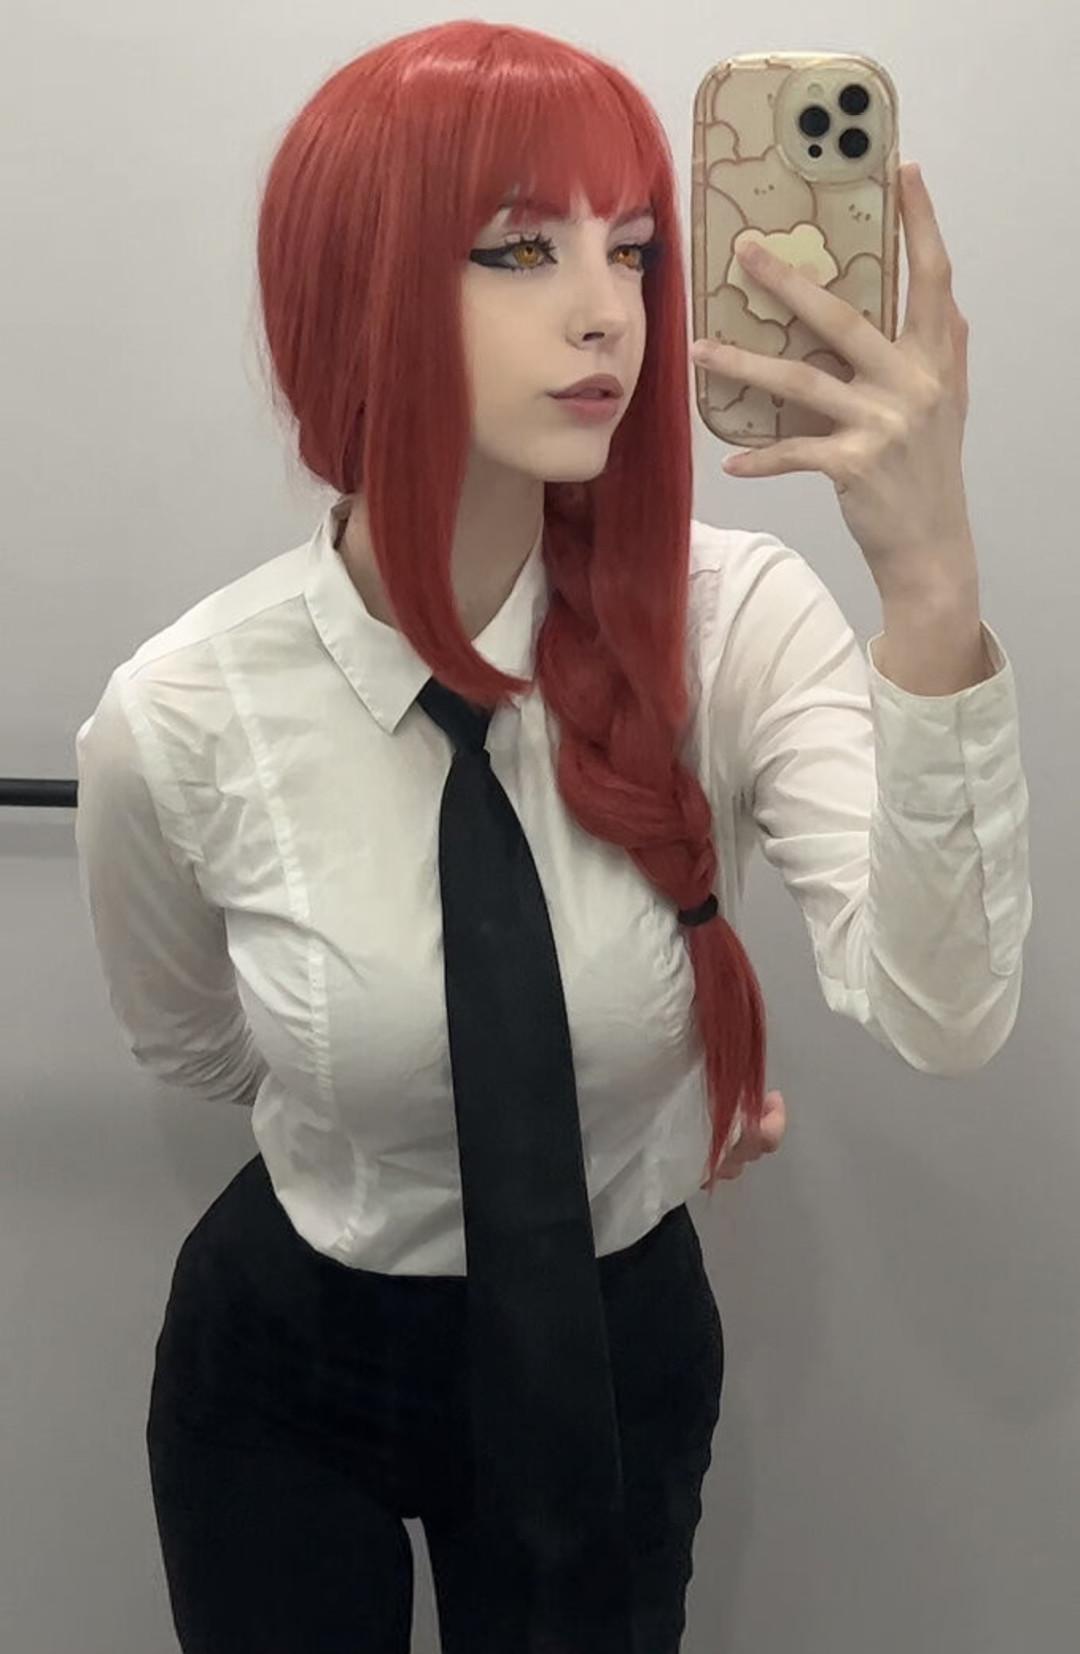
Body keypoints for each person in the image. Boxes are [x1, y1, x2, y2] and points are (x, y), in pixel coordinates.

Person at [73, 16, 1028, 1654]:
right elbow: (190, 1039)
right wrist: (412, 1102)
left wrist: (932, 582)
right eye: (521, 249)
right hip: (290, 1361)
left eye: (635, 248)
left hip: (613, 1342)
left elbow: (945, 1012)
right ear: (354, 287)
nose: (608, 310)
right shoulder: (183, 710)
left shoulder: (735, 624)